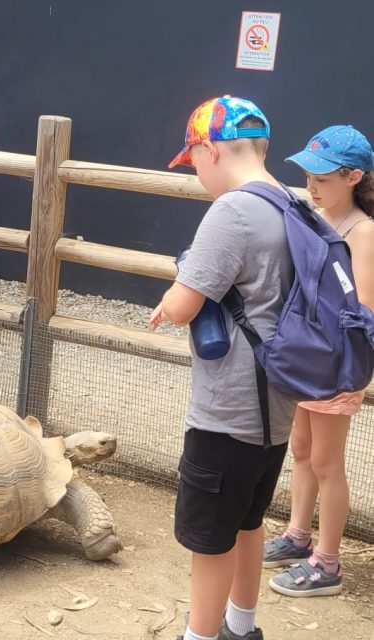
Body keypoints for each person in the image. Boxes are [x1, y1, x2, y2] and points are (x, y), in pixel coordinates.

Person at [150, 96, 296, 640]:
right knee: (248, 522)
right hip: (276, 409)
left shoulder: (233, 211)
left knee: (210, 540)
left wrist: (176, 286)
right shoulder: (291, 202)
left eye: (194, 162)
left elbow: (182, 306)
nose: (197, 176)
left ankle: (200, 635)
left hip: (228, 409)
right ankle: (243, 625)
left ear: (211, 150)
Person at [264, 126, 374, 597]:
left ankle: (327, 563)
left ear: (354, 177)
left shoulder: (362, 231)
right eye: (309, 176)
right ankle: (297, 536)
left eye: (323, 179)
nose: (311, 186)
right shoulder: (318, 217)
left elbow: (362, 307)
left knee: (328, 461)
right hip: (309, 358)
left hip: (335, 363)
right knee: (303, 449)